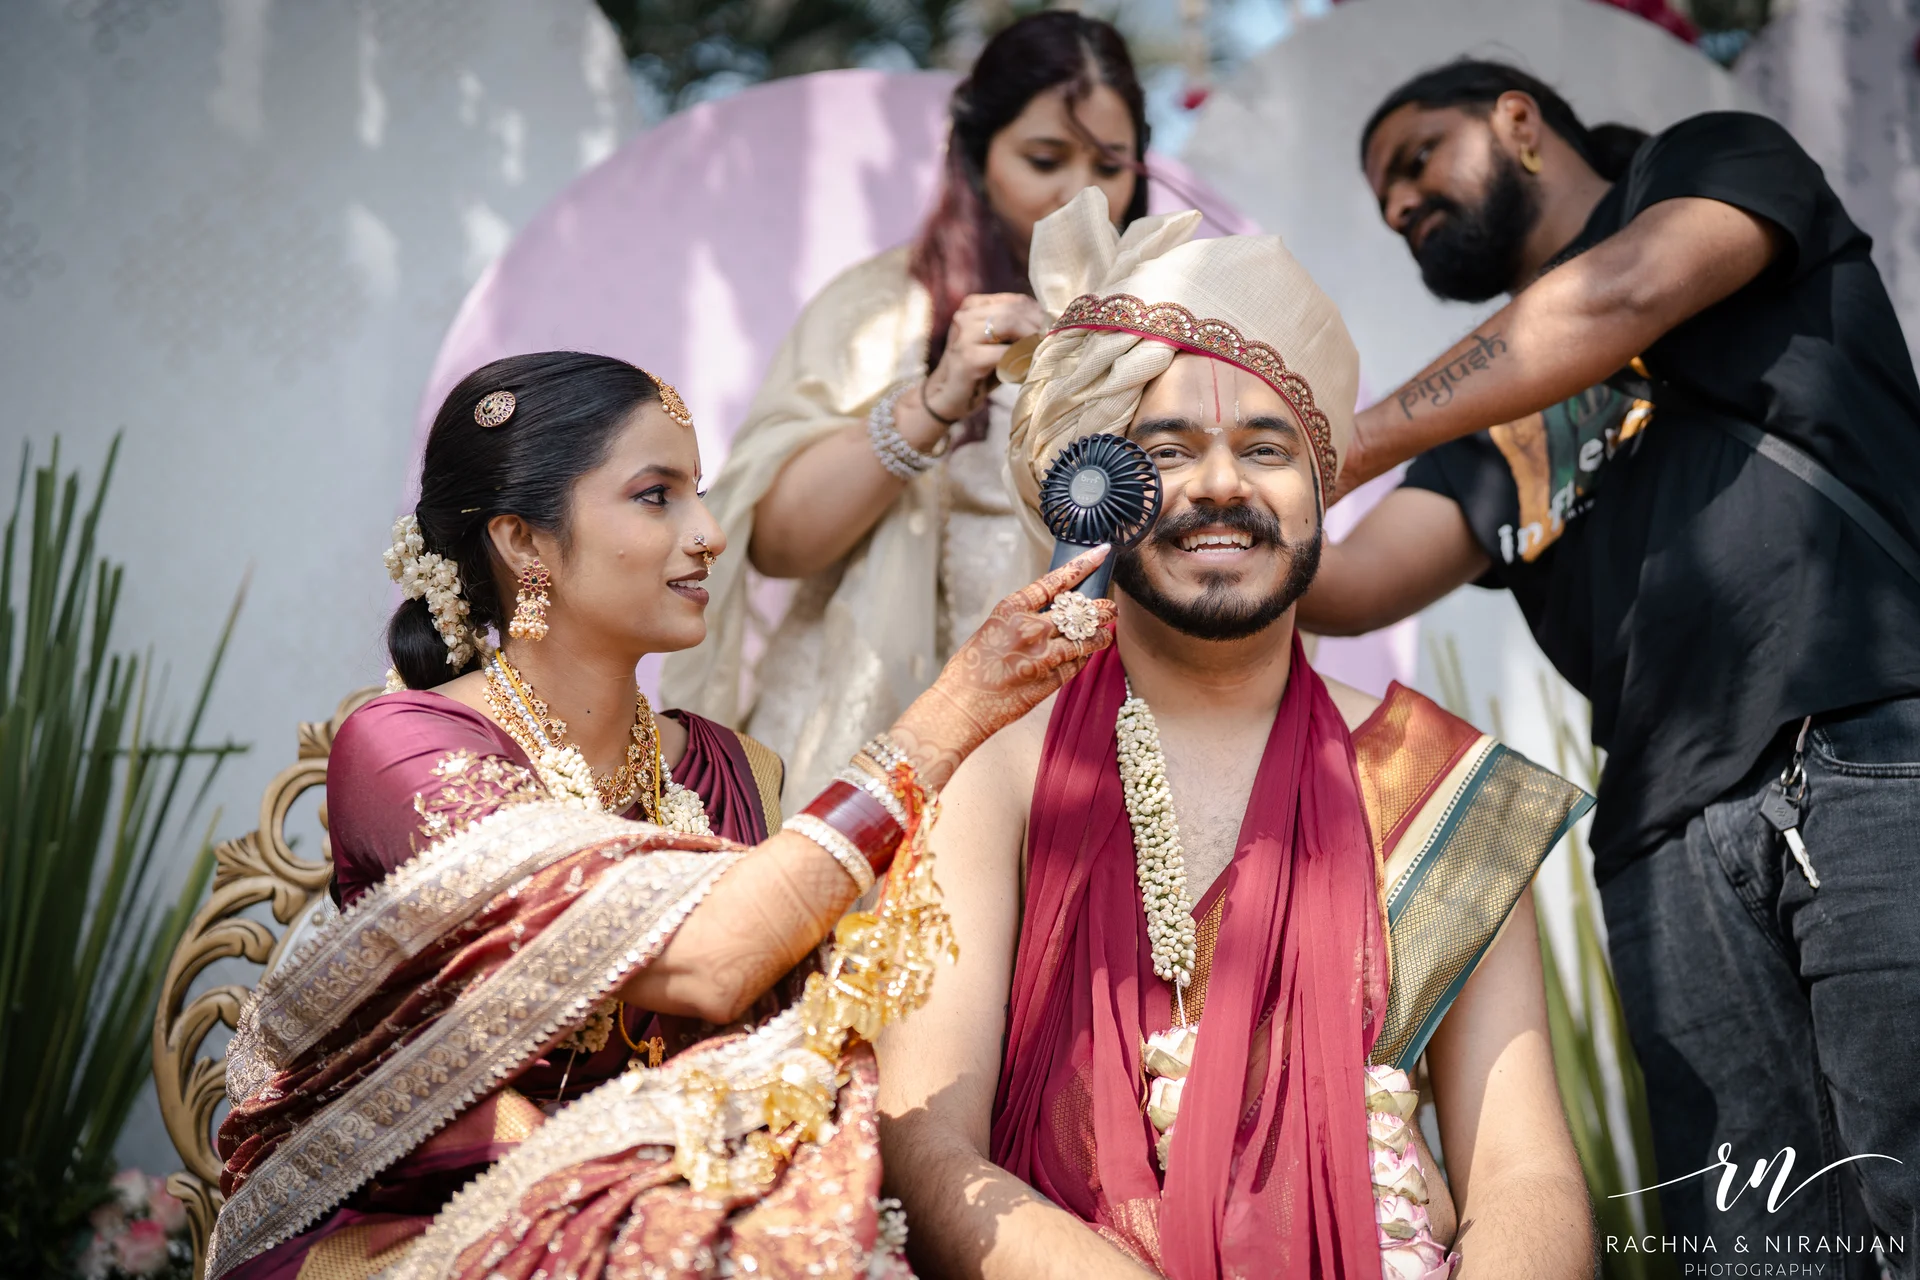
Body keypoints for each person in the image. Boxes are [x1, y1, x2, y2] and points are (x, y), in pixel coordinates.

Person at [204, 352, 1117, 1280]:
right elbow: (708, 965)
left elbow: (778, 1059)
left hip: (676, 1214)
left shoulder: (727, 768)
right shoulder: (405, 748)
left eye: (700, 494)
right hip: (422, 1233)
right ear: (523, 541)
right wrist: (950, 718)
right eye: (656, 497)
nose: (712, 534)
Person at [876, 189, 1595, 1279]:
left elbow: (1524, 1175)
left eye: (1267, 446)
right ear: (1093, 493)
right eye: (1165, 450)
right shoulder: (996, 760)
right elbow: (926, 1137)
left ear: (1319, 488)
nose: (1220, 483)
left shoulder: (1439, 780)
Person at [1302, 59, 1920, 1269]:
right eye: (1384, 197)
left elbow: (1625, 292)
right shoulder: (1488, 427)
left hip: (1865, 740)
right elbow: (1347, 580)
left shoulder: (1709, 162)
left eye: (1417, 157)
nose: (1399, 205)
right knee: (1758, 1247)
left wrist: (1347, 439)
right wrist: (1207, 486)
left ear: (1519, 122)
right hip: (1661, 848)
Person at [660, 11, 1151, 805]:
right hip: (863, 747)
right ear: (974, 155)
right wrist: (933, 402)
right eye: (1044, 159)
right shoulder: (880, 308)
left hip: (1083, 758)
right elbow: (775, 542)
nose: (1080, 195)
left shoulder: (1168, 327)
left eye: (1112, 164)